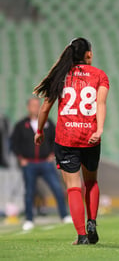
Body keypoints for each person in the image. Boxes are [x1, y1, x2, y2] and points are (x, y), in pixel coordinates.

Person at [33, 37, 109, 245]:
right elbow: (100, 103)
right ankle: (92, 220)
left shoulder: (61, 75)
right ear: (89, 54)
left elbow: (45, 108)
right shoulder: (100, 75)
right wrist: (99, 129)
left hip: (66, 138)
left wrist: (39, 130)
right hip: (90, 137)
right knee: (91, 181)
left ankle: (81, 235)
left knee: (73, 187)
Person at [10, 97, 71, 231]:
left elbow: (57, 139)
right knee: (29, 192)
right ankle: (29, 219)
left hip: (46, 163)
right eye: (33, 105)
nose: (36, 108)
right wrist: (21, 158)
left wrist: (52, 154)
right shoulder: (21, 125)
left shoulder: (48, 123)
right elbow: (14, 144)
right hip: (29, 164)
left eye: (38, 105)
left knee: (57, 189)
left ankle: (64, 215)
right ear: (28, 107)